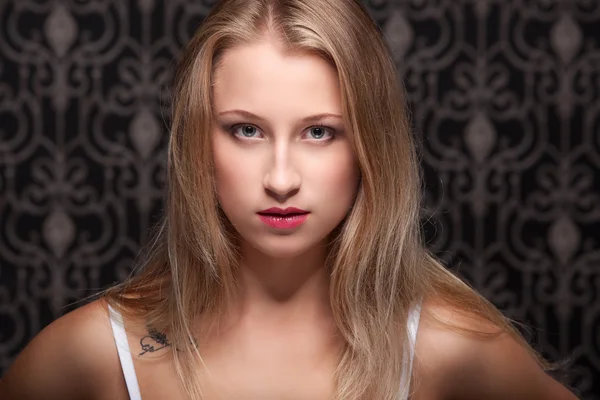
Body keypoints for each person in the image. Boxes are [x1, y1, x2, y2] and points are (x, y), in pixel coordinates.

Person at [0, 0, 579, 399]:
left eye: (319, 131)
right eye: (246, 130)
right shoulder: (93, 354)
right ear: (199, 143)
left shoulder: (451, 350)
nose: (281, 178)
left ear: (368, 146)